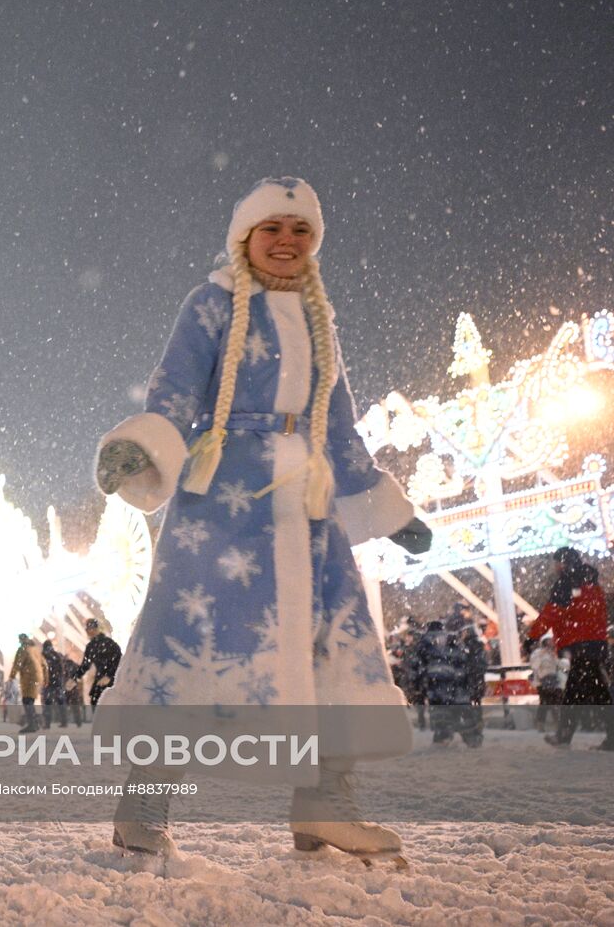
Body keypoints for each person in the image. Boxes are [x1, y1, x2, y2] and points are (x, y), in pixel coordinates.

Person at [94, 178, 429, 862]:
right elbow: (174, 391)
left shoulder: (318, 318)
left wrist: (385, 505)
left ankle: (326, 806)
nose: (287, 242)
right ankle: (142, 807)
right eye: (272, 228)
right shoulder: (210, 305)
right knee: (190, 644)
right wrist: (143, 445)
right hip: (222, 499)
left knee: (330, 643)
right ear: (245, 236)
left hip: (309, 507)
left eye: (301, 230)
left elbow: (337, 423)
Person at [526, 547, 612, 750]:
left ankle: (564, 734)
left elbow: (551, 613)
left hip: (580, 645)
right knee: (595, 692)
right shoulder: (592, 583)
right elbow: (597, 615)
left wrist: (533, 636)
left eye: (556, 563)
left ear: (562, 563)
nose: (554, 567)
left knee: (578, 691)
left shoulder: (565, 584)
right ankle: (572, 734)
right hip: (596, 644)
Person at [415, 607, 486, 747]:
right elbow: (464, 663)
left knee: (441, 713)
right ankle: (472, 739)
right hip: (458, 685)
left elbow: (417, 667)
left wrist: (419, 687)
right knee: (463, 712)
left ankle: (443, 737)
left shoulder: (424, 644)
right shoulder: (454, 643)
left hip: (436, 686)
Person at [74, 618, 122, 713]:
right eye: (87, 630)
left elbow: (118, 661)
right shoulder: (92, 646)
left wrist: (109, 675)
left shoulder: (108, 644)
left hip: (110, 682)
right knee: (98, 705)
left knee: (102, 707)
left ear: (95, 629)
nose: (88, 632)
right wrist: (75, 677)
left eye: (90, 629)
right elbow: (85, 665)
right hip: (102, 681)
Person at [9, 634, 45, 733]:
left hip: (29, 678)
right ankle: (35, 723)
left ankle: (32, 724)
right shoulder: (36, 650)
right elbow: (44, 664)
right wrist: (46, 678)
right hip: (38, 677)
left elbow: (17, 663)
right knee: (30, 700)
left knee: (27, 701)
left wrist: (11, 676)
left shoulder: (23, 649)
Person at [530, 636, 562, 732]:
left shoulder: (553, 653)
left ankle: (557, 724)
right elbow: (534, 665)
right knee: (545, 702)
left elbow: (558, 665)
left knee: (555, 702)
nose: (551, 643)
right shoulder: (538, 653)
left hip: (553, 680)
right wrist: (542, 655)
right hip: (542, 681)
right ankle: (541, 724)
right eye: (549, 641)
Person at [39, 639, 69, 728]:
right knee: (61, 702)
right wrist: (62, 679)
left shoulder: (43, 655)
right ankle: (64, 721)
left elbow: (41, 668)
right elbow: (63, 669)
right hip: (58, 682)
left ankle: (47, 723)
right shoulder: (57, 655)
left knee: (47, 703)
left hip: (48, 682)